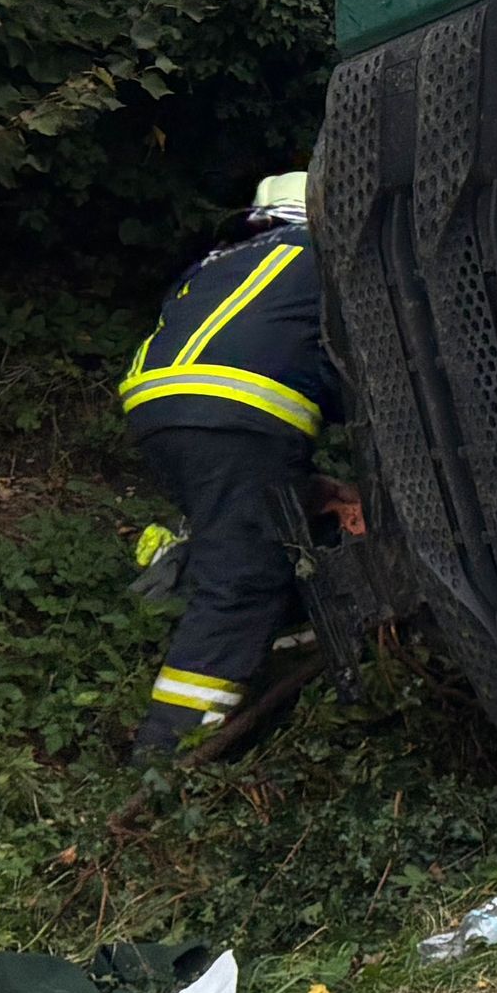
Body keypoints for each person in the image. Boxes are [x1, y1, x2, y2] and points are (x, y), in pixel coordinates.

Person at [119, 170, 344, 751]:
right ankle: (170, 751)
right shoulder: (328, 256)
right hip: (240, 412)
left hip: (158, 410)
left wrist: (314, 486)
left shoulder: (218, 263)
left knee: (249, 529)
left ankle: (276, 643)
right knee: (242, 578)